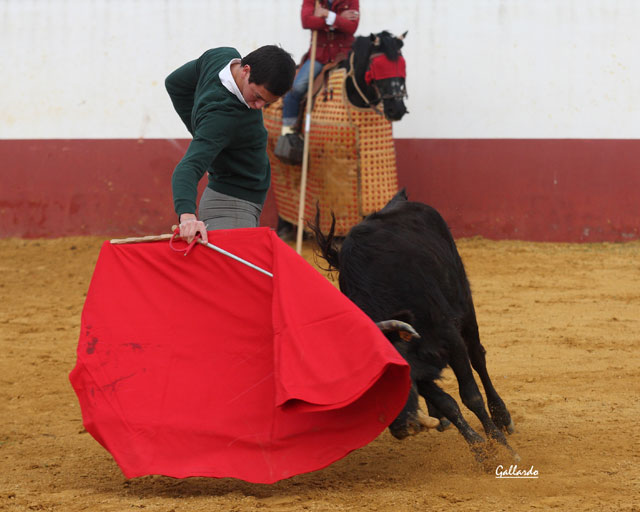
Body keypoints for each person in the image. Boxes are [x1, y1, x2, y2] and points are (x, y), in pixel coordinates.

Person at [166, 45, 296, 243]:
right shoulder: (222, 119)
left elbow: (175, 83)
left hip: (232, 201)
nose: (259, 107)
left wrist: (209, 141)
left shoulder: (222, 56)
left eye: (268, 102)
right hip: (232, 206)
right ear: (246, 71)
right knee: (234, 274)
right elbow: (188, 168)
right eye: (258, 97)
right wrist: (187, 216)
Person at [280, 0, 360, 135]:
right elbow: (306, 22)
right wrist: (338, 20)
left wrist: (327, 15)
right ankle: (288, 134)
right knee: (297, 88)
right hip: (319, 57)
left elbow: (351, 27)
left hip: (345, 56)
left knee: (363, 84)